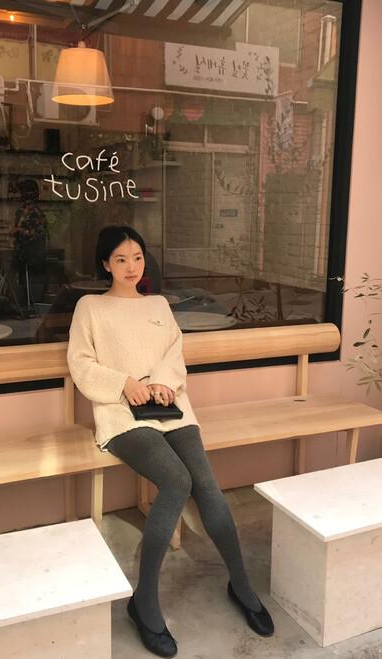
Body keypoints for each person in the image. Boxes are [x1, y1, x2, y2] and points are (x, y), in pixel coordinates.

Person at [67, 225, 274, 658]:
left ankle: (241, 585)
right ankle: (144, 602)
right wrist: (124, 383)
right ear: (105, 264)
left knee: (207, 485)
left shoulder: (158, 304)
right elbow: (81, 363)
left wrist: (162, 381)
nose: (131, 267)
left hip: (170, 406)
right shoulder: (90, 307)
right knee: (177, 481)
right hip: (121, 413)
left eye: (137, 257)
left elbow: (173, 353)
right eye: (120, 259)